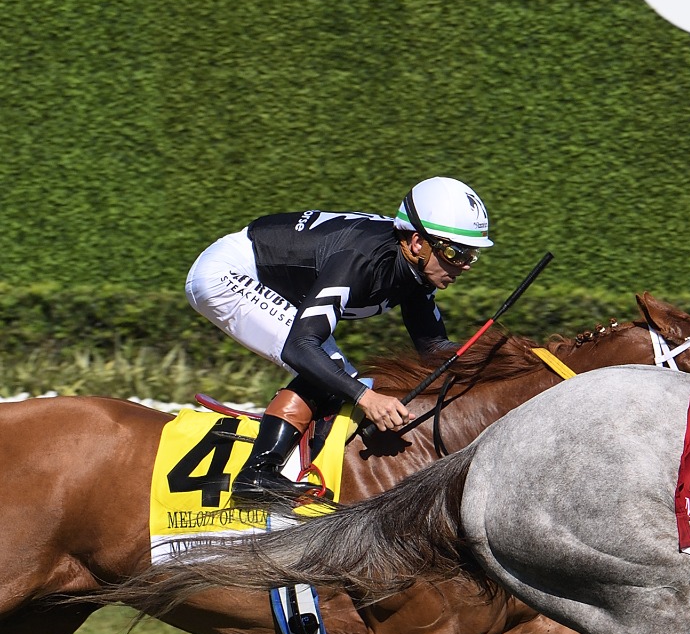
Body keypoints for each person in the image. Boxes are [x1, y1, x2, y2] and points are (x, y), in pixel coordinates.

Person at [185, 176, 492, 503]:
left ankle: (296, 466)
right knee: (334, 371)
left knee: (342, 377)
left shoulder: (416, 273)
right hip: (227, 273)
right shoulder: (361, 260)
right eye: (454, 252)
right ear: (417, 243)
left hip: (266, 271)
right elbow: (299, 347)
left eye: (470, 255)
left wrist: (500, 362)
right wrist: (367, 399)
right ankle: (258, 474)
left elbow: (435, 351)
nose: (463, 266)